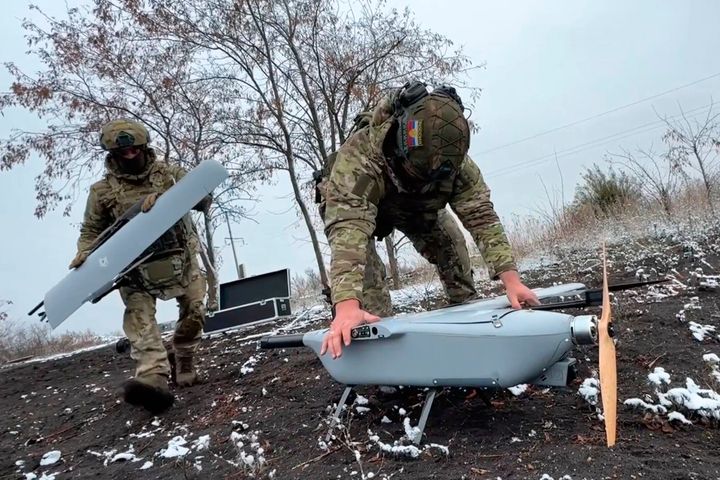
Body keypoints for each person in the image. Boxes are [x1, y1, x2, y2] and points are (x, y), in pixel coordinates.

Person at [316, 81, 540, 359]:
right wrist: (347, 305)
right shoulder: (361, 160)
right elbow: (348, 231)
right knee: (370, 291)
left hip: (415, 205)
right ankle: (384, 363)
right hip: (361, 206)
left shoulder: (455, 163)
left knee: (452, 247)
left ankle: (469, 327)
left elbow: (481, 216)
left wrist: (511, 279)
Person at [69, 119, 210, 413]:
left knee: (195, 310)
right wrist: (85, 253)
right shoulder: (102, 192)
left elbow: (204, 197)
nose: (130, 154)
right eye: (123, 152)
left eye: (134, 149)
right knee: (141, 324)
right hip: (135, 271)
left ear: (144, 146)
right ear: (112, 154)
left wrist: (166, 201)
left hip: (180, 258)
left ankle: (183, 357)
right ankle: (152, 381)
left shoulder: (170, 174)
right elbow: (90, 230)